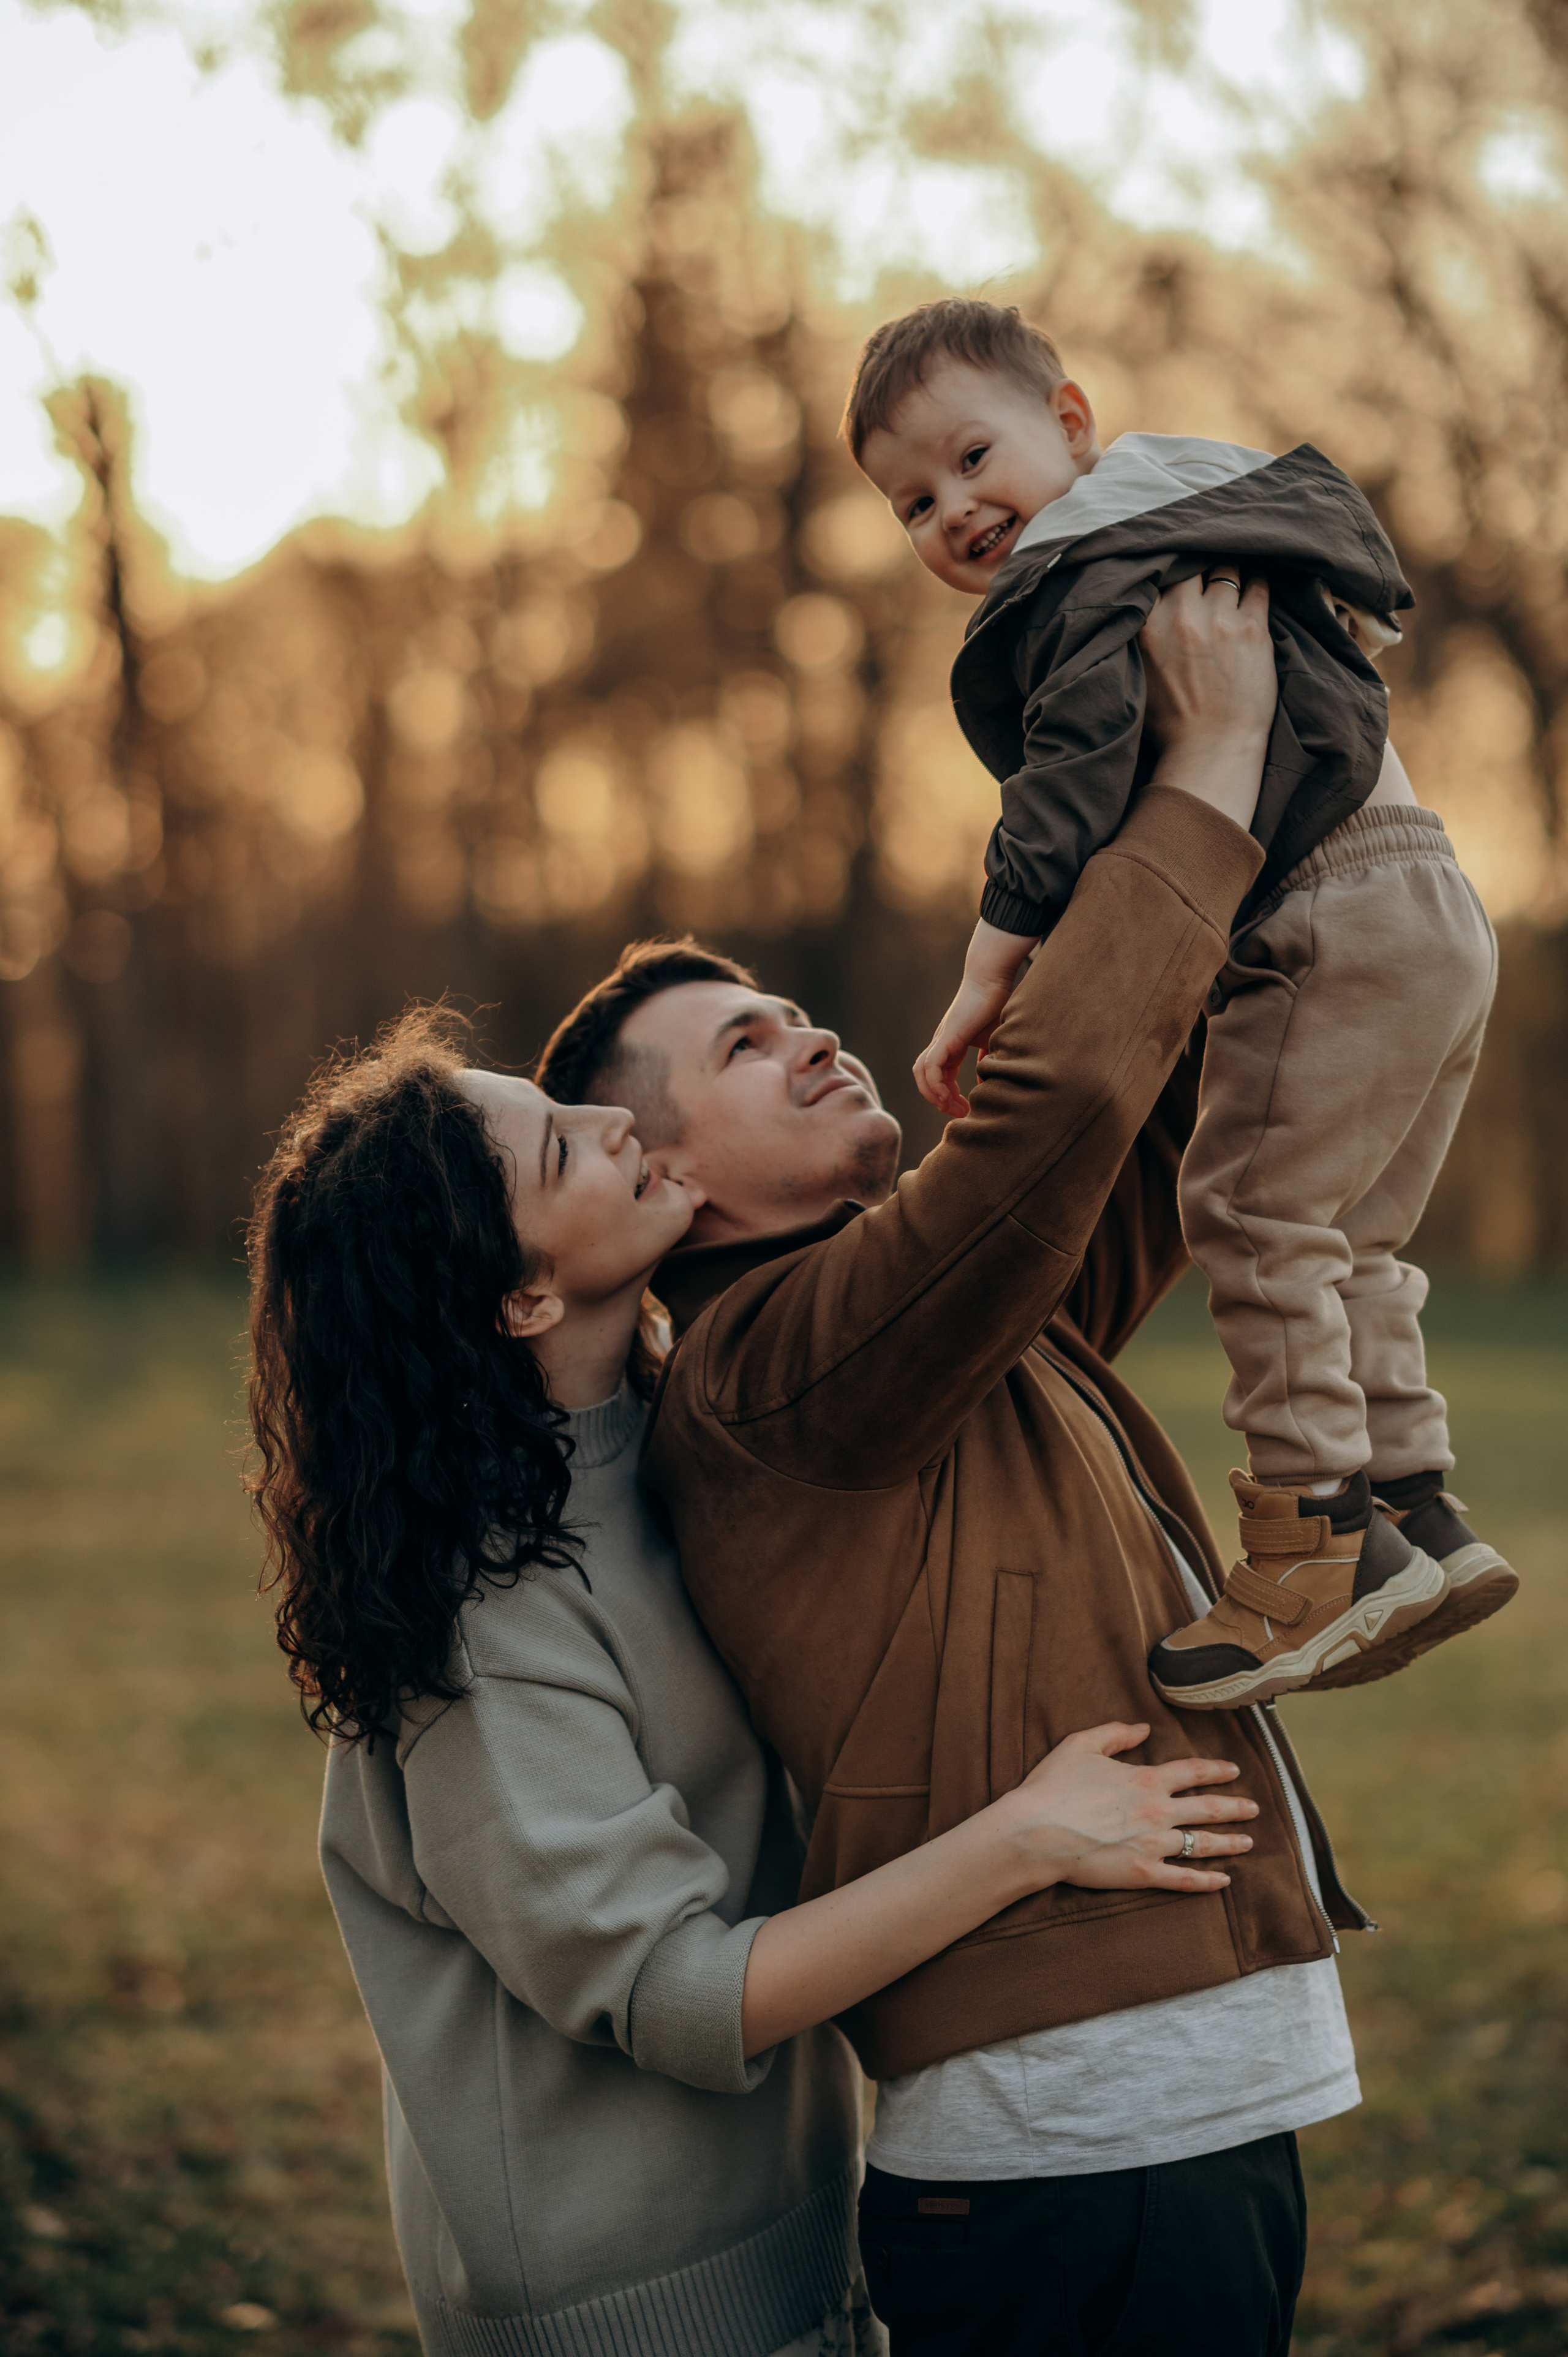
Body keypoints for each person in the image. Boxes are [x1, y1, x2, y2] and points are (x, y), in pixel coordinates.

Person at [533, 582, 1348, 2355]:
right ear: (670, 1180)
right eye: (745, 1047)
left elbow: (1139, 1123)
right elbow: (1052, 1116)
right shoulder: (770, 1371)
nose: (812, 1032)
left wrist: (1213, 760)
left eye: (791, 1007)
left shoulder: (938, 1333)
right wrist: (1203, 767)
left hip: (1167, 2114)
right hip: (1080, 2151)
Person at [243, 1006, 1257, 2357]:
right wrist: (1021, 1838)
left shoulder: (680, 1446)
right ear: (523, 1295)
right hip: (631, 2314)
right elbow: (674, 1993)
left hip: (811, 2249)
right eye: (565, 1152)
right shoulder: (483, 1622)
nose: (615, 1124)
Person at [846, 294, 1515, 1710]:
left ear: (1070, 423)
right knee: (1348, 1236)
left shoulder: (1086, 570)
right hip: (1433, 902)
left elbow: (1074, 768)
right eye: (913, 500)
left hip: (1327, 912)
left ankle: (1310, 1550)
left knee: (1251, 1217)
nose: (955, 511)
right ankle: (1416, 1507)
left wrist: (992, 958)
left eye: (974, 458)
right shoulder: (1205, 514)